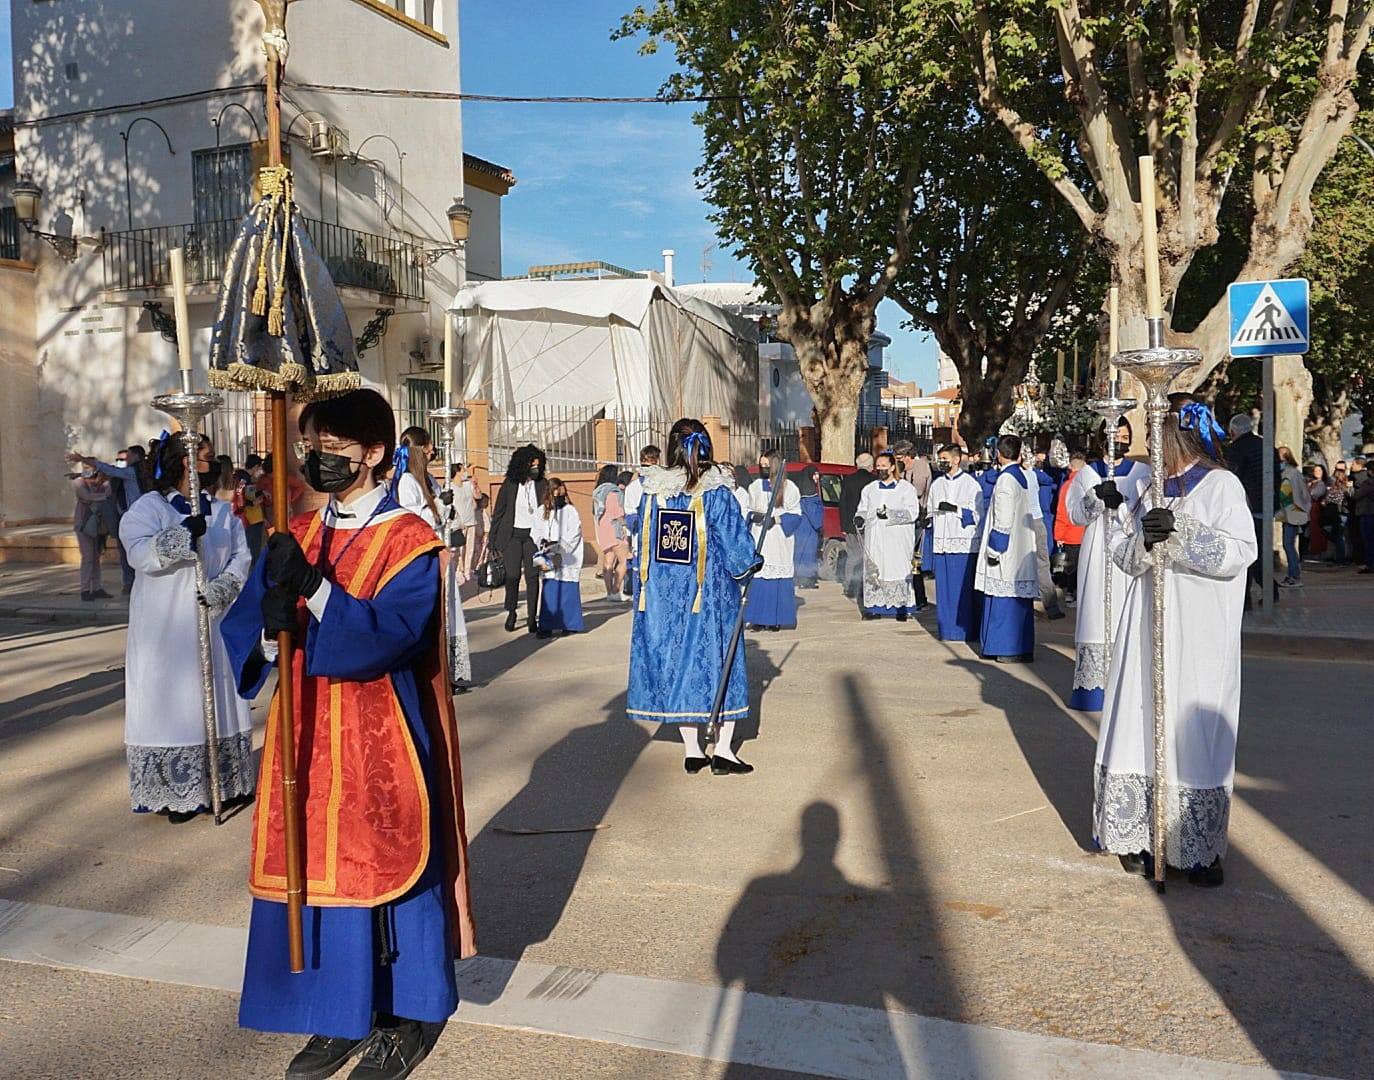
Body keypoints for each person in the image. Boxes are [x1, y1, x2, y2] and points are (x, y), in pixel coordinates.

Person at [221, 387, 475, 1079]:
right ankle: (337, 1015)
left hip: (380, 735)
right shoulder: (296, 532)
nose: (318, 460)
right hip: (302, 734)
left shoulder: (410, 542)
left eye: (334, 449)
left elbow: (392, 635)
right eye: (311, 447)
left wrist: (318, 590)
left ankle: (405, 1015)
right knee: (315, 870)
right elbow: (249, 630)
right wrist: (271, 629)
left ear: (374, 454)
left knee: (389, 869)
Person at [1093, 400, 1256, 887]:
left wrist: (1180, 533)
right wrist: (1144, 538)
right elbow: (1124, 555)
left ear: (1177, 438)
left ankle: (1198, 847)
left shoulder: (1222, 486)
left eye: (1155, 437)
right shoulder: (1148, 488)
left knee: (1192, 726)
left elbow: (1239, 550)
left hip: (1199, 625)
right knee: (1142, 719)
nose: (1148, 449)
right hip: (1147, 622)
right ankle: (1140, 834)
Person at [119, 433, 254, 822]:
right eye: (206, 458)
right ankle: (175, 789)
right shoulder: (151, 508)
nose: (212, 464)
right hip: (166, 627)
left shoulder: (224, 513)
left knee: (216, 694)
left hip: (212, 619)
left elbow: (241, 557)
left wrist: (222, 588)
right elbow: (138, 552)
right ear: (185, 462)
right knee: (173, 701)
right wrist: (181, 537)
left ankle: (223, 782)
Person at [627, 419, 761, 775]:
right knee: (721, 663)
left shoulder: (654, 491)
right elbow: (736, 547)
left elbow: (642, 543)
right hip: (710, 595)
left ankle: (692, 749)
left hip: (666, 598)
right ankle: (724, 751)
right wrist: (751, 562)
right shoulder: (716, 492)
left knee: (680, 664)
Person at [1063, 422, 1152, 712]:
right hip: (1097, 550)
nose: (1121, 442)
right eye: (1116, 437)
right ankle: (1094, 691)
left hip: (1130, 549)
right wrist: (1097, 497)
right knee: (1095, 613)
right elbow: (1074, 515)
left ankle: (1128, 688)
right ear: (1103, 439)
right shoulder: (1087, 474)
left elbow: (1149, 512)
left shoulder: (1142, 473)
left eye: (1126, 437)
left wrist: (1124, 506)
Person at [974, 435, 1040, 663]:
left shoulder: (1005, 481)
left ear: (998, 454)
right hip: (1020, 547)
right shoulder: (1022, 476)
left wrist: (994, 550)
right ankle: (1022, 647)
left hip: (1006, 551)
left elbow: (1002, 519)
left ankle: (1005, 648)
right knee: (1019, 601)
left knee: (1003, 600)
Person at [71, 444, 152, 594]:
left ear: (135, 456)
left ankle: (137, 585)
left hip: (136, 519)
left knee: (134, 553)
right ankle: (126, 584)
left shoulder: (133, 472)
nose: (123, 460)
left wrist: (85, 460)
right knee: (117, 554)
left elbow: (109, 472)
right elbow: (103, 477)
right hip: (116, 520)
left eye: (126, 457)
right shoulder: (126, 474)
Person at [927, 444, 984, 642]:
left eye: (945, 458)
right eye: (940, 458)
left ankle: (964, 631)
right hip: (941, 544)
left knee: (962, 590)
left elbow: (978, 515)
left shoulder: (971, 484)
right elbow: (930, 510)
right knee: (943, 590)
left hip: (963, 545)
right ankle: (946, 630)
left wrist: (956, 509)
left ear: (956, 459)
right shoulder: (936, 484)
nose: (941, 462)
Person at [854, 451, 921, 621]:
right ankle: (874, 608)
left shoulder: (906, 488)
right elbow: (863, 507)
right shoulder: (869, 489)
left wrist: (890, 514)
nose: (880, 469)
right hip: (875, 537)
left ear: (892, 467)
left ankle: (901, 607)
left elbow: (913, 512)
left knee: (896, 568)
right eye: (878, 466)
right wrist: (860, 516)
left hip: (896, 539)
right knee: (876, 569)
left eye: (884, 466)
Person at [489, 444, 548, 632]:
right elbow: (499, 512)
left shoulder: (542, 484)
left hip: (533, 538)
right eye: (532, 465)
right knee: (512, 575)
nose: (535, 468)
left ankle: (532, 618)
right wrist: (493, 540)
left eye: (538, 465)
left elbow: (549, 510)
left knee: (532, 577)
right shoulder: (510, 484)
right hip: (512, 536)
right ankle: (512, 611)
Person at [742, 453, 802, 631]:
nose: (763, 468)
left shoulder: (789, 487)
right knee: (759, 576)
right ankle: (757, 619)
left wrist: (776, 520)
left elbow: (796, 514)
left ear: (775, 466)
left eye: (766, 465)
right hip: (759, 534)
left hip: (778, 538)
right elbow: (747, 509)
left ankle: (775, 619)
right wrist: (754, 515)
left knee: (775, 577)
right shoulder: (754, 486)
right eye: (761, 465)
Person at [1227, 414, 1280, 608]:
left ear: (1233, 432)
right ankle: (1269, 590)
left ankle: (1247, 597)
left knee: (1246, 551)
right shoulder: (1267, 447)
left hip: (1248, 506)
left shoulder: (1236, 449)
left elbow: (1232, 476)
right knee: (1259, 550)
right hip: (1267, 506)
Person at [533, 477, 586, 636]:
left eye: (560, 490)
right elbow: (535, 530)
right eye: (554, 490)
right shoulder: (541, 510)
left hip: (567, 556)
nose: (557, 494)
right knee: (549, 590)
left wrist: (560, 547)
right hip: (547, 554)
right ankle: (547, 625)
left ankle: (569, 624)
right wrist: (542, 541)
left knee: (567, 589)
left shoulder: (570, 511)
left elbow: (574, 533)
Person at [72, 465, 116, 601]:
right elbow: (86, 496)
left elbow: (109, 493)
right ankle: (85, 589)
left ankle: (97, 588)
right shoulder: (79, 482)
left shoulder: (103, 483)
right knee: (87, 557)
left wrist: (99, 489)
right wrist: (99, 495)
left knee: (96, 558)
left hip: (98, 525)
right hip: (83, 524)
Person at [839, 453, 875, 601]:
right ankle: (867, 584)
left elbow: (843, 504)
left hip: (851, 525)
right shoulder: (874, 481)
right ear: (871, 466)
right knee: (868, 556)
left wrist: (844, 525)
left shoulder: (848, 480)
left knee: (853, 556)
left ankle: (849, 586)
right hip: (869, 525)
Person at [1053, 450, 1088, 605]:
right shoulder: (1089, 485)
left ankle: (1069, 593)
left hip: (1071, 534)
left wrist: (1059, 535)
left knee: (1070, 566)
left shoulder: (1067, 486)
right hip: (1086, 533)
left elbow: (1062, 512)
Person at [394, 426, 443, 532]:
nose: (432, 451)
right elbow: (414, 518)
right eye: (427, 447)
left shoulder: (429, 478)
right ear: (417, 451)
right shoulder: (407, 481)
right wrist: (441, 505)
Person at [593, 463, 629, 599]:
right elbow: (617, 512)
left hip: (603, 528)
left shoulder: (598, 492)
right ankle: (616, 590)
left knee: (608, 562)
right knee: (624, 560)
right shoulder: (614, 491)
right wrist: (625, 525)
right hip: (615, 529)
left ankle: (609, 593)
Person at [1277, 446, 1310, 587]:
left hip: (1293, 512)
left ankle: (1294, 576)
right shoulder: (1286, 472)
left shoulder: (1292, 473)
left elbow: (1298, 494)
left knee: (1289, 545)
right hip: (1288, 513)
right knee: (1288, 544)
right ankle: (1292, 574)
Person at [792, 464, 825, 589]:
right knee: (807, 553)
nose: (817, 476)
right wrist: (819, 525)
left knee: (799, 553)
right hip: (808, 528)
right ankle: (805, 579)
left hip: (800, 527)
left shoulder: (801, 490)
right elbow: (813, 513)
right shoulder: (809, 493)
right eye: (815, 474)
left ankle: (798, 577)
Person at [1352, 457, 1374, 573]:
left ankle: (1370, 564)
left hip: (1367, 513)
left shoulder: (1368, 483)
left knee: (1368, 540)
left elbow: (1356, 496)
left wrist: (1349, 489)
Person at [1324, 463, 1350, 564]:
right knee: (1340, 536)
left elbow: (1327, 500)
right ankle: (1341, 557)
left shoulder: (1334, 489)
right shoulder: (1345, 489)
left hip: (1336, 514)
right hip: (1342, 513)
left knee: (1338, 536)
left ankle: (1340, 558)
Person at [1307, 463, 1329, 562]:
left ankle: (1319, 552)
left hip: (1317, 508)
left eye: (1319, 470)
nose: (1317, 472)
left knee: (1317, 530)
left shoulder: (1321, 484)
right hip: (1310, 508)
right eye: (1315, 470)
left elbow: (1314, 494)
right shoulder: (1312, 482)